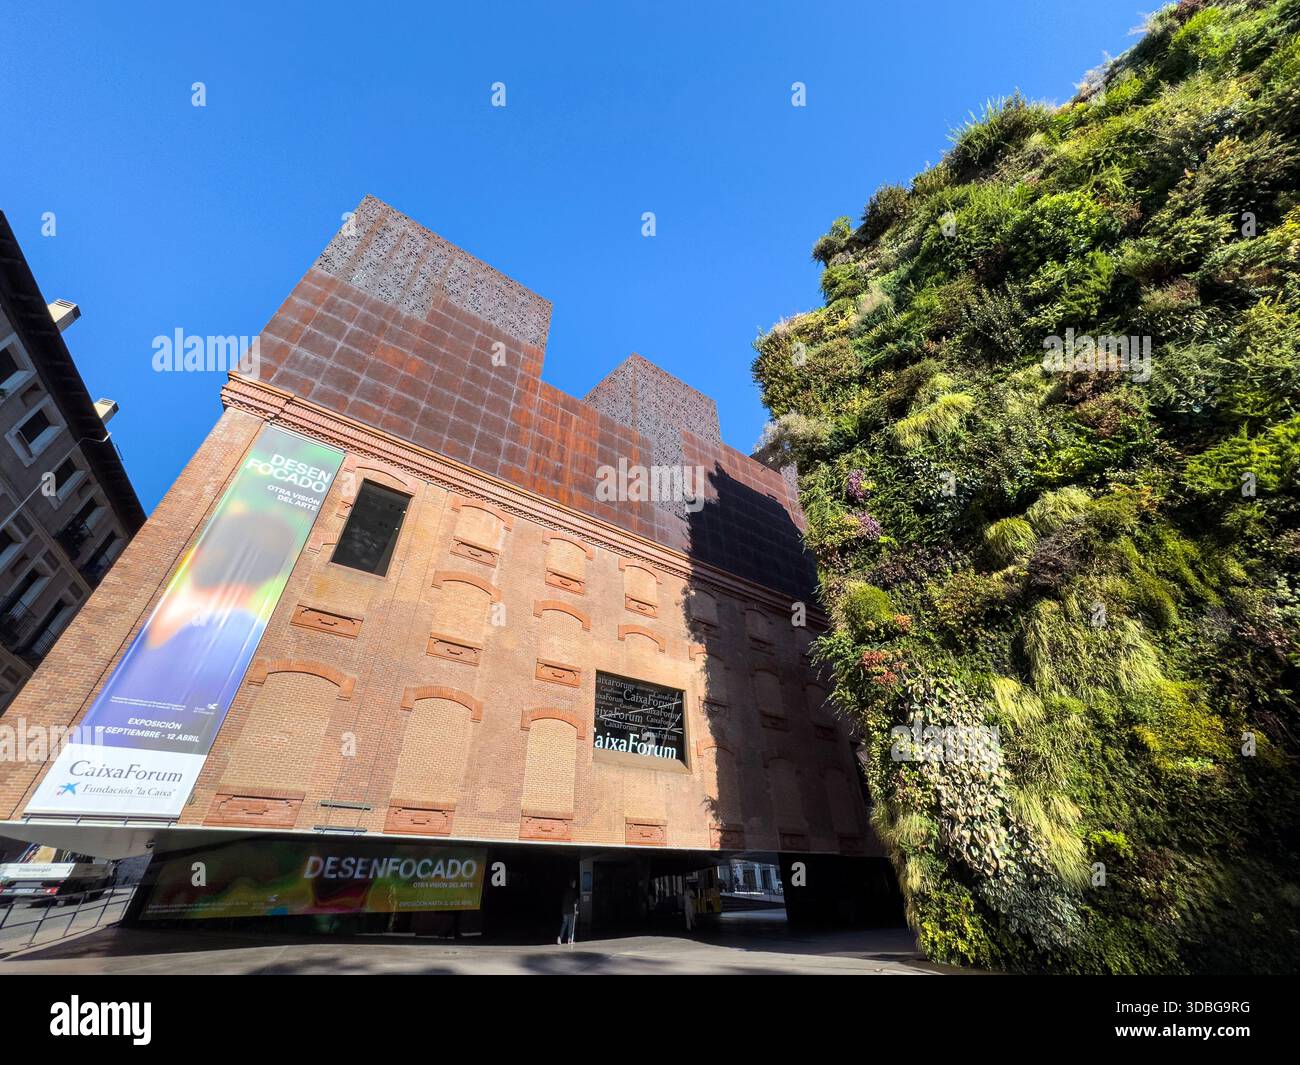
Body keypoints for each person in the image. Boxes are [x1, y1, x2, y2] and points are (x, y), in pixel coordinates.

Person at [558, 879, 578, 945]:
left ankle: (560, 938)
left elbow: (564, 901)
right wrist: (576, 910)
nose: (575, 884)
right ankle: (569, 939)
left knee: (564, 924)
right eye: (574, 883)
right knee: (570, 925)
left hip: (564, 910)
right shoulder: (573, 891)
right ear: (572, 883)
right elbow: (575, 902)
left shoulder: (566, 891)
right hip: (570, 911)